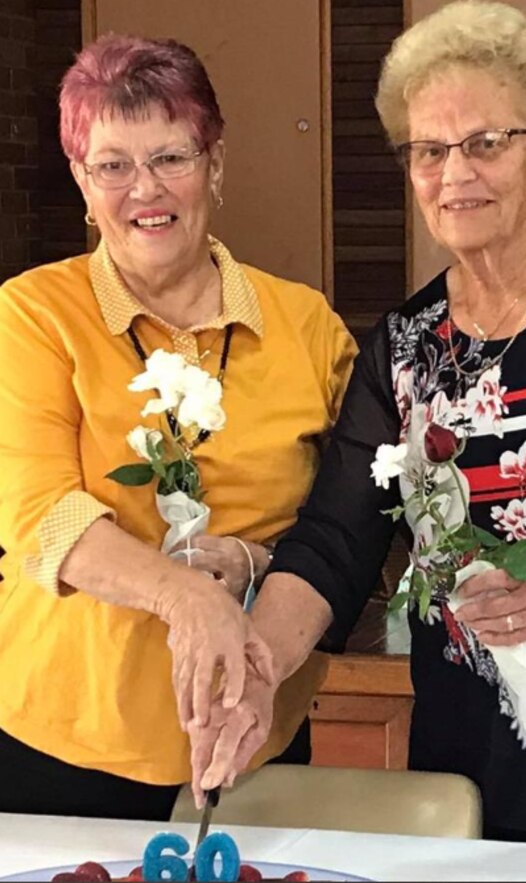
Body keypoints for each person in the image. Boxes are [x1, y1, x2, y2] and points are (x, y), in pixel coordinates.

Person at [191, 1, 526, 849]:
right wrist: (258, 668)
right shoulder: (404, 346)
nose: (453, 173)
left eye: (485, 143)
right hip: (465, 762)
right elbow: (333, 541)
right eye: (428, 150)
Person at [0, 34, 357, 821]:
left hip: (254, 739)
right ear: (81, 184)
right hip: (58, 744)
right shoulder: (30, 315)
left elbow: (355, 524)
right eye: (112, 165)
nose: (144, 189)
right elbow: (38, 515)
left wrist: (252, 563)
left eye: (171, 157)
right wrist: (186, 601)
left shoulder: (308, 326)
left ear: (215, 167)